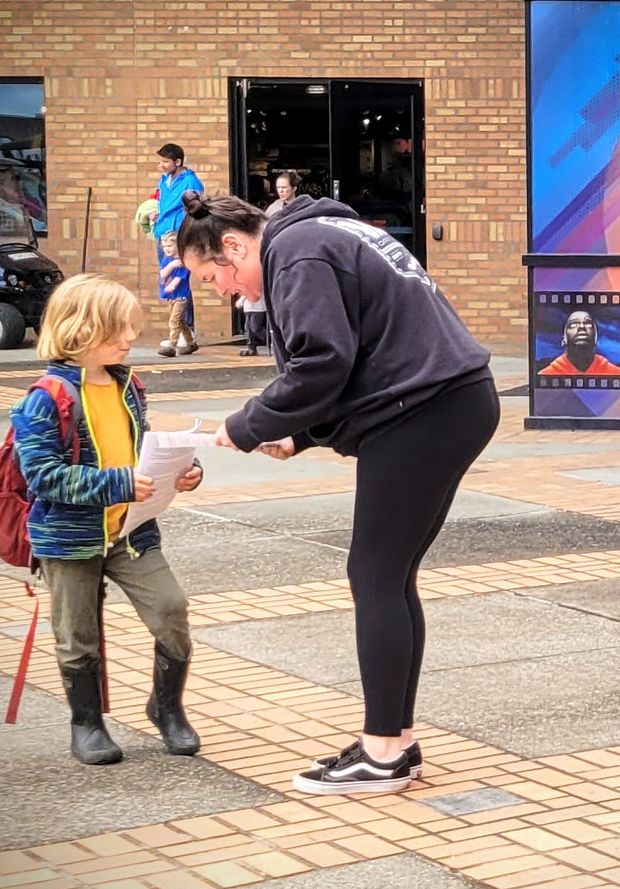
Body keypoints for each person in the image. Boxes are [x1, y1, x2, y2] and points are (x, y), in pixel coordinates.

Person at [177, 190, 498, 796]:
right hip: (448, 402)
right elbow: (363, 356)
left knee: (375, 577)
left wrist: (248, 425)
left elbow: (321, 361)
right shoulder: (321, 235)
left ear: (233, 244)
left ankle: (380, 757)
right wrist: (300, 433)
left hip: (425, 412)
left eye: (211, 274)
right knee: (390, 577)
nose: (218, 288)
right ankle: (393, 740)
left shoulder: (295, 252)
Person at [11, 274, 204, 765]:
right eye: (119, 331)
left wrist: (180, 470)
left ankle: (166, 708)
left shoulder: (128, 385)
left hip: (131, 529)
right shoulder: (44, 399)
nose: (130, 339)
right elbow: (42, 477)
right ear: (80, 331)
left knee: (172, 611)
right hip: (69, 539)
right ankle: (87, 724)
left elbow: (141, 453)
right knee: (77, 636)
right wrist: (117, 483)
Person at [151, 143, 204, 351]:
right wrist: (156, 214)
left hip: (180, 235)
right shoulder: (164, 180)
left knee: (180, 281)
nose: (161, 165)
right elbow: (161, 202)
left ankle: (187, 330)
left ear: (178, 162)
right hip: (163, 233)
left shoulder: (191, 181)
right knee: (168, 280)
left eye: (165, 161)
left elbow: (196, 206)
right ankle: (184, 335)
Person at [539, 310, 620, 375]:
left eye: (588, 324)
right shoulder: (546, 374)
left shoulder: (617, 374)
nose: (581, 327)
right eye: (573, 324)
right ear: (563, 340)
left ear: (596, 339)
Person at [157, 232, 196, 357]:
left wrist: (171, 285)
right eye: (165, 246)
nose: (167, 249)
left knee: (174, 321)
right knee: (181, 321)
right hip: (172, 297)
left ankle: (172, 345)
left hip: (181, 296)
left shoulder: (182, 262)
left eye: (170, 246)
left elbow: (179, 278)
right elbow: (162, 274)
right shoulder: (167, 261)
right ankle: (191, 343)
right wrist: (171, 265)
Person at [236, 292, 267, 356]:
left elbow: (250, 289)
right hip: (248, 308)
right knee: (248, 329)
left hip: (257, 308)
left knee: (256, 328)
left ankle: (272, 340)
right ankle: (252, 348)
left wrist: (240, 301)